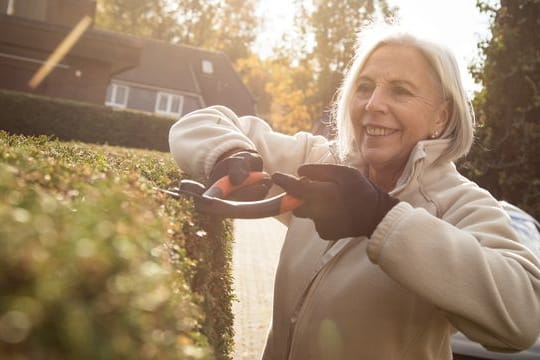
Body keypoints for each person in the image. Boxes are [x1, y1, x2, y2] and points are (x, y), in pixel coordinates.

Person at [169, 23, 540, 360]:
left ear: (441, 116)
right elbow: (202, 121)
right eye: (365, 87)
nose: (373, 104)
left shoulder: (460, 203)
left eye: (400, 91)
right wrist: (232, 153)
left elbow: (523, 317)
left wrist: (382, 218)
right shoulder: (321, 161)